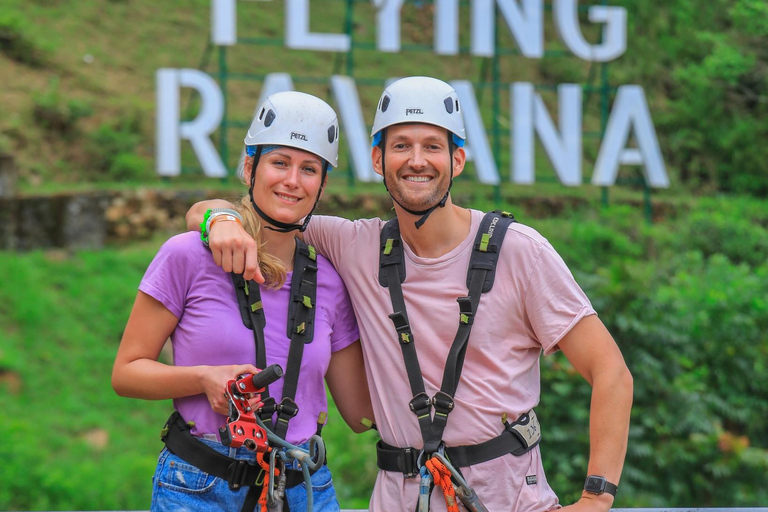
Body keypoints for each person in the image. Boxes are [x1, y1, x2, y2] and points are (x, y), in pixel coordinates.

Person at [186, 76, 633, 512]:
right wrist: (219, 220)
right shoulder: (353, 245)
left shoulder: (518, 250)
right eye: (401, 146)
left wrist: (596, 497)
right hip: (399, 494)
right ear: (378, 160)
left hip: (506, 495)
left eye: (432, 146)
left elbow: (610, 371)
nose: (416, 160)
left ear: (457, 160)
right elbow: (255, 213)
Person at [112, 91, 373, 512]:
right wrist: (202, 379)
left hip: (304, 486)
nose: (292, 180)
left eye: (309, 169)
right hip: (200, 485)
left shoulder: (330, 279)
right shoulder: (186, 255)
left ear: (322, 184)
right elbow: (126, 373)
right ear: (250, 167)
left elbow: (362, 414)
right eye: (280, 162)